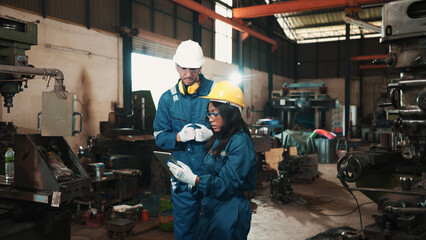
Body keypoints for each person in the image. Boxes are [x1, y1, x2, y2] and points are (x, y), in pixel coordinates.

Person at [168, 81, 257, 240]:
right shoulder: (220, 138)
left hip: (230, 210)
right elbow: (210, 172)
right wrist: (186, 182)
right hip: (213, 206)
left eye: (214, 113)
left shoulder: (240, 142)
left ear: (229, 112)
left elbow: (227, 185)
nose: (210, 119)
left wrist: (194, 179)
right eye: (209, 114)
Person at [153, 40, 214, 240]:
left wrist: (212, 134)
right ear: (176, 66)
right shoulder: (167, 99)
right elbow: (159, 136)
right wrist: (179, 136)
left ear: (201, 67)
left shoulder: (216, 92)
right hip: (182, 175)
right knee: (185, 230)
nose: (188, 74)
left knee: (217, 227)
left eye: (193, 69)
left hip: (213, 174)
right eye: (183, 68)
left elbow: (233, 129)